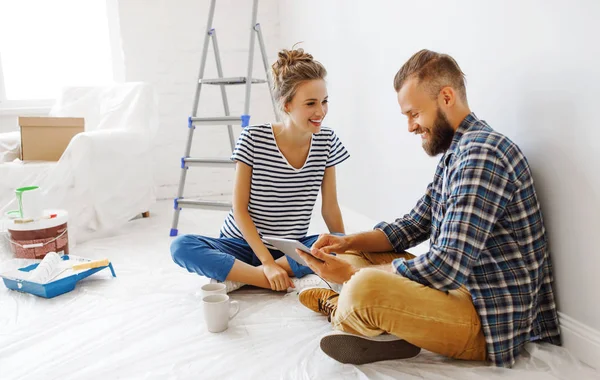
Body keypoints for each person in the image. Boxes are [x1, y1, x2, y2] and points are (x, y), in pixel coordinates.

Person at [296, 49, 561, 367]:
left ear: (446, 97)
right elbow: (411, 226)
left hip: (487, 321)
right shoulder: (459, 152)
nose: (410, 127)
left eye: (414, 113)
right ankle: (370, 319)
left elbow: (445, 266)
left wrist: (354, 274)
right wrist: (346, 242)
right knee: (359, 255)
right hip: (459, 292)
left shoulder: (483, 155)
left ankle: (343, 304)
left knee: (365, 286)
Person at [171, 48, 350, 293]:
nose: (321, 111)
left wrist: (341, 248)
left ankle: (242, 276)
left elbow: (330, 207)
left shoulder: (327, 141)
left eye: (324, 101)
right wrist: (266, 263)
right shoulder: (254, 138)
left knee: (325, 244)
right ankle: (265, 276)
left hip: (288, 249)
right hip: (241, 244)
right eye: (310, 103)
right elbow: (239, 209)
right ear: (287, 105)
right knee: (181, 246)